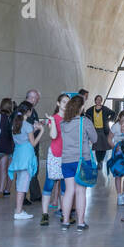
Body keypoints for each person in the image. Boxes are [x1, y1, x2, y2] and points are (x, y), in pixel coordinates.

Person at [59, 95, 95, 232]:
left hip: (66, 160)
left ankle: (66, 222)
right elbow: (95, 138)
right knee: (80, 192)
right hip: (82, 160)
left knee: (69, 191)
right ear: (81, 108)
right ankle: (80, 223)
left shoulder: (63, 123)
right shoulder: (84, 121)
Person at [9, 102, 44, 220]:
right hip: (27, 155)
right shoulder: (27, 125)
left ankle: (18, 209)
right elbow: (33, 143)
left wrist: (33, 129)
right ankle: (18, 211)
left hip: (18, 155)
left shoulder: (15, 124)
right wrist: (41, 131)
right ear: (28, 111)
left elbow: (23, 137)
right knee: (22, 185)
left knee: (20, 182)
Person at [39, 93, 69, 226]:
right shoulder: (54, 118)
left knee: (64, 186)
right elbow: (53, 136)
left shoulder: (71, 119)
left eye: (68, 102)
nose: (66, 104)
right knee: (49, 184)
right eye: (63, 102)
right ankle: (45, 214)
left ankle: (64, 212)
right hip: (55, 154)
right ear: (58, 104)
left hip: (67, 155)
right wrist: (52, 121)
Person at [24, 89, 42, 206]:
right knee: (25, 172)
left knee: (34, 170)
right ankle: (24, 196)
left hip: (33, 145)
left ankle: (35, 194)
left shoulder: (32, 110)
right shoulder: (25, 110)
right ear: (33, 98)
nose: (37, 101)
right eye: (37, 99)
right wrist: (37, 128)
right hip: (28, 145)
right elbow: (25, 127)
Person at [87, 94, 113, 172]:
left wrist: (109, 120)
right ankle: (99, 162)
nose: (98, 101)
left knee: (104, 147)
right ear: (95, 101)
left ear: (101, 101)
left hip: (103, 130)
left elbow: (113, 113)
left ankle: (100, 161)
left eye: (100, 99)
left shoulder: (105, 109)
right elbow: (86, 116)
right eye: (97, 99)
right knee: (98, 147)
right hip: (95, 131)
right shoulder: (90, 110)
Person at [110, 109, 124, 206]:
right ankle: (119, 196)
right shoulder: (115, 126)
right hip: (118, 152)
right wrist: (115, 147)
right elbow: (109, 139)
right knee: (118, 174)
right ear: (120, 117)